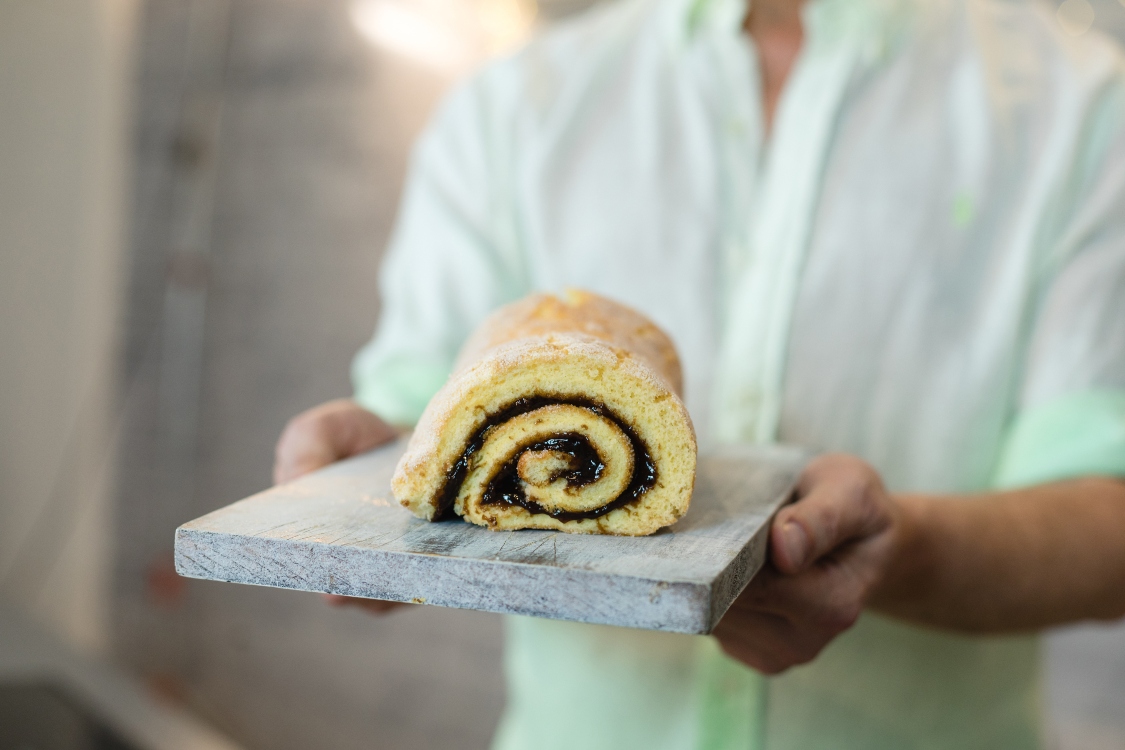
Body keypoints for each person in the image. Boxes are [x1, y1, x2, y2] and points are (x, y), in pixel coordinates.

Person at [273, 0, 1125, 746]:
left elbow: (1107, 527)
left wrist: (898, 551)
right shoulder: (510, 105)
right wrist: (366, 465)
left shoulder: (1083, 105)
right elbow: (420, 413)